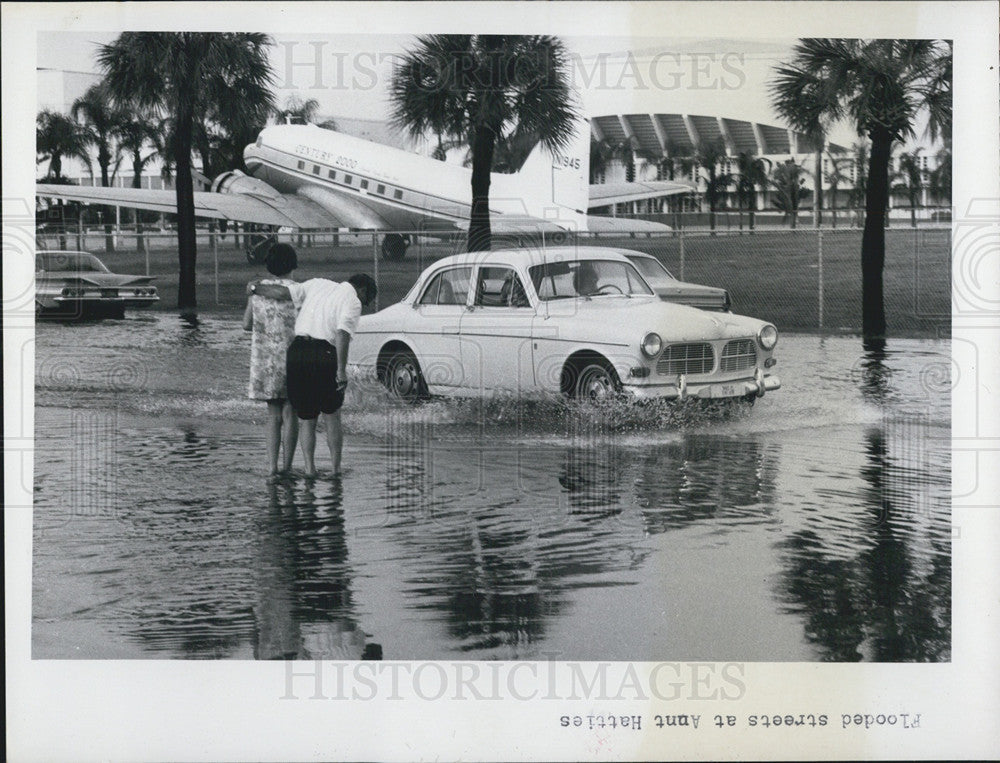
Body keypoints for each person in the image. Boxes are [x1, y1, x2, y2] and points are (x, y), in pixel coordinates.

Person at [251, 272, 377, 476]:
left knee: (307, 418)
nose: (366, 305)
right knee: (332, 415)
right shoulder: (353, 301)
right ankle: (336, 469)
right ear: (362, 290)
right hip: (324, 353)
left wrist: (255, 289)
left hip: (297, 351)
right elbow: (342, 333)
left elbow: (282, 293)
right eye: (368, 300)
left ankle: (310, 469)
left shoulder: (318, 284)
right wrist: (341, 370)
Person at [242, 243, 300, 478]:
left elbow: (246, 324)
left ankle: (271, 466)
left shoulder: (258, 289)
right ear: (293, 264)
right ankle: (288, 467)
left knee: (273, 415)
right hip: (293, 356)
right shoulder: (299, 290)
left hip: (265, 359)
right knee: (290, 412)